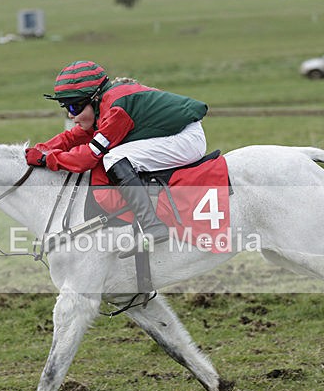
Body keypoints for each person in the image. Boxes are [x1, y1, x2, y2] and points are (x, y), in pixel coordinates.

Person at [25, 60, 208, 251]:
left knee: (112, 158)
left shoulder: (115, 110)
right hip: (176, 133)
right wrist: (42, 148)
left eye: (73, 107)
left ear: (93, 99)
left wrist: (47, 159)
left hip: (186, 139)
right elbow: (75, 136)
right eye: (66, 108)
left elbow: (87, 157)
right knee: (113, 155)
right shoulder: (106, 103)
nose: (71, 116)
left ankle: (152, 226)